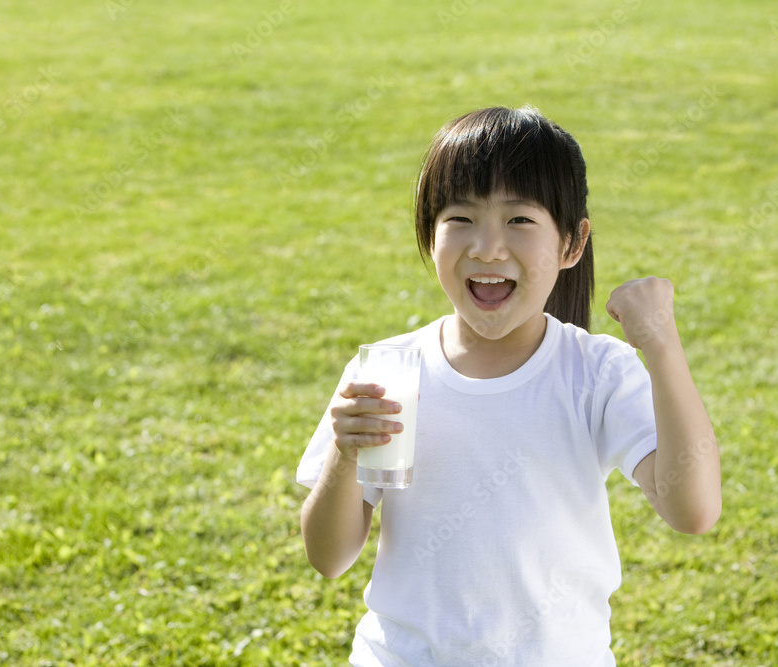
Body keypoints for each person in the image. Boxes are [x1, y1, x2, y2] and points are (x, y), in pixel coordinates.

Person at [297, 106, 721, 666]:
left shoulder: (595, 372)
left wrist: (662, 346)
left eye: (519, 220)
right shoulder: (388, 372)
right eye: (461, 218)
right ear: (429, 237)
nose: (488, 248)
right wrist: (345, 457)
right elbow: (329, 557)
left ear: (572, 244)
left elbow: (692, 509)